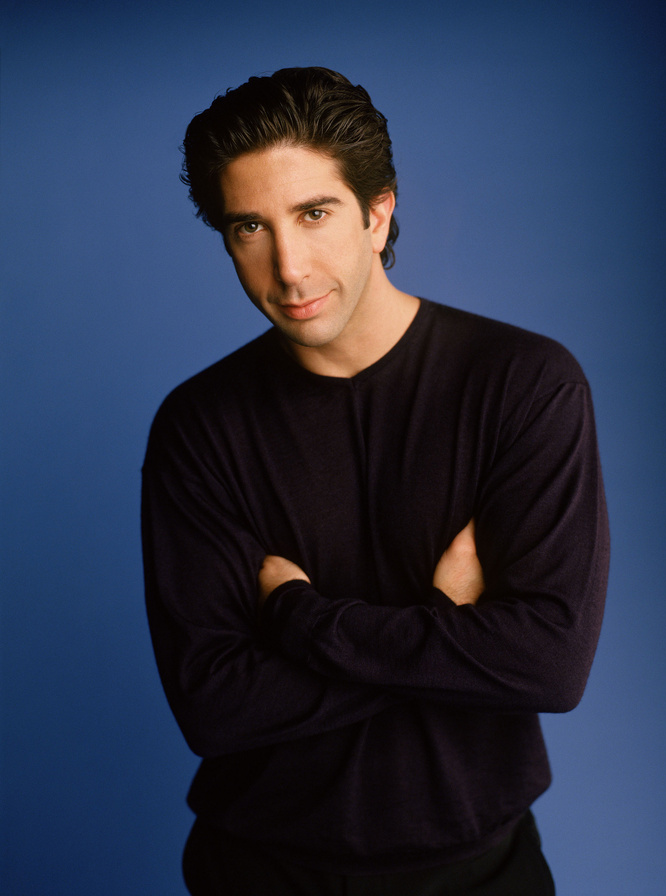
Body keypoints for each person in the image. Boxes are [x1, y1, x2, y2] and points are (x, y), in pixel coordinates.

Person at [141, 66, 609, 895]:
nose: (289, 267)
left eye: (314, 213)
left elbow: (548, 666)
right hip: (258, 872)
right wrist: (441, 623)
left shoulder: (524, 385)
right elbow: (215, 707)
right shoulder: (199, 425)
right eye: (249, 227)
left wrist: (298, 617)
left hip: (482, 873)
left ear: (377, 210)